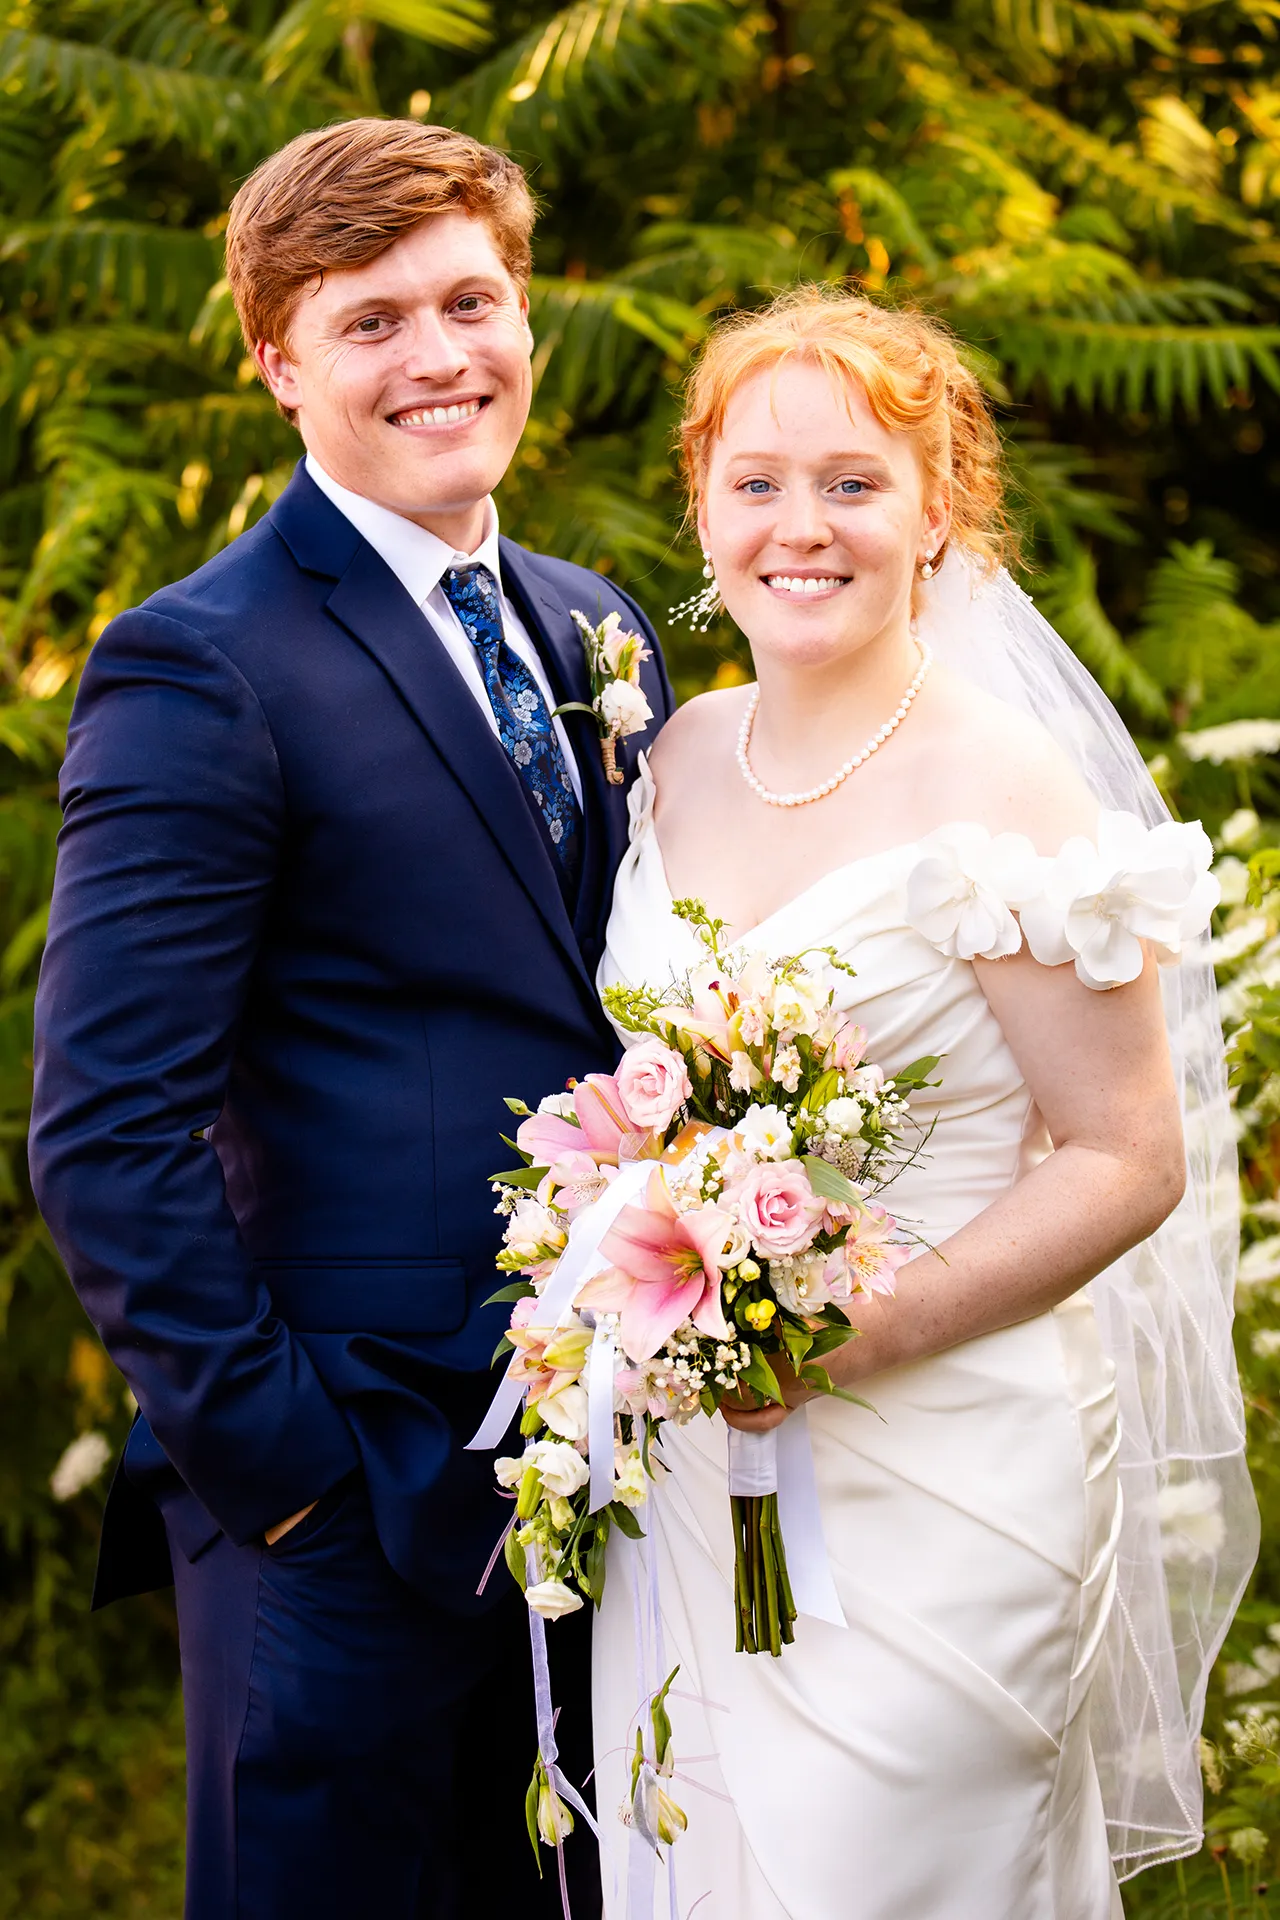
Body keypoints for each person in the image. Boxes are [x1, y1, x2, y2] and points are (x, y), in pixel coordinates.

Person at [28, 118, 672, 1920]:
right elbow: (103, 1135)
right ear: (276, 362)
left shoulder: (595, 627)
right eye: (373, 320)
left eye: (472, 300)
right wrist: (296, 1484)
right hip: (346, 1493)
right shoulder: (202, 661)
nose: (441, 355)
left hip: (614, 1475)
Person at [592, 289, 1256, 1917]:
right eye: (756, 483)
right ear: (702, 504)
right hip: (694, 1484)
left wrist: (852, 1333)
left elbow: (1126, 1154)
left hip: (946, 1465)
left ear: (938, 512)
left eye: (853, 482)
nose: (798, 527)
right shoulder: (673, 755)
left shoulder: (1002, 780)